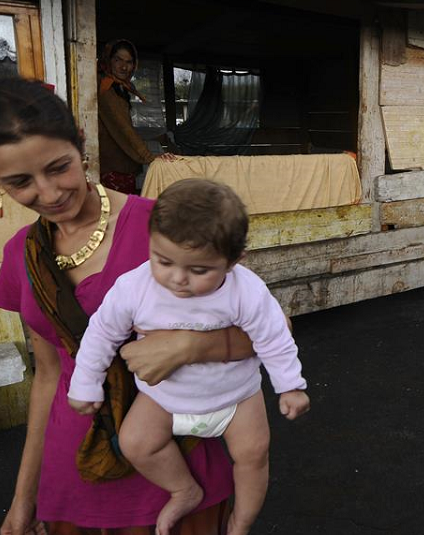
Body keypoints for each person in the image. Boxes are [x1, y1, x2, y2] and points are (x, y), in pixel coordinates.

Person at [0, 78, 255, 535]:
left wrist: (190, 347)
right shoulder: (22, 256)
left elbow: (271, 330)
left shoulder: (165, 228)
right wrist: (24, 498)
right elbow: (49, 377)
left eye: (59, 168)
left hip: (175, 466)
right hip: (73, 474)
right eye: (20, 182)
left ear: (81, 145)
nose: (49, 193)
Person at [68, 180, 310, 535]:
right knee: (136, 443)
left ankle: (241, 522)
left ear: (233, 261)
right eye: (163, 261)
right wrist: (85, 383)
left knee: (254, 455)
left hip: (237, 398)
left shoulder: (246, 290)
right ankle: (183, 489)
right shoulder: (134, 288)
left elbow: (273, 335)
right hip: (163, 399)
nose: (178, 279)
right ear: (151, 243)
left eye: (199, 270)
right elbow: (101, 334)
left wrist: (290, 386)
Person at [98, 39, 174, 194]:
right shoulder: (106, 88)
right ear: (108, 60)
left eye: (129, 62)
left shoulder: (119, 87)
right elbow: (123, 128)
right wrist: (150, 157)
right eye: (118, 60)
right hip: (112, 168)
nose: (124, 67)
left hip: (121, 166)